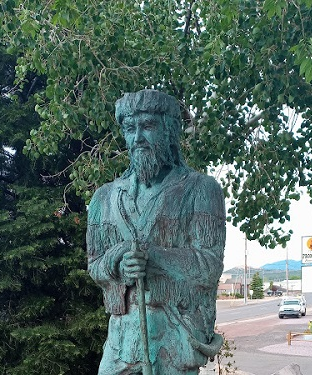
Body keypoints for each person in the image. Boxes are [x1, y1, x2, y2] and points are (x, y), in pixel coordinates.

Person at [87, 89, 226, 374]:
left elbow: (209, 266)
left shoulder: (201, 189)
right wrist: (118, 263)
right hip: (121, 344)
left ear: (169, 131)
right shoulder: (104, 198)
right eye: (129, 128)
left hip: (174, 341)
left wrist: (154, 257)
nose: (137, 137)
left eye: (148, 126)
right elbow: (95, 265)